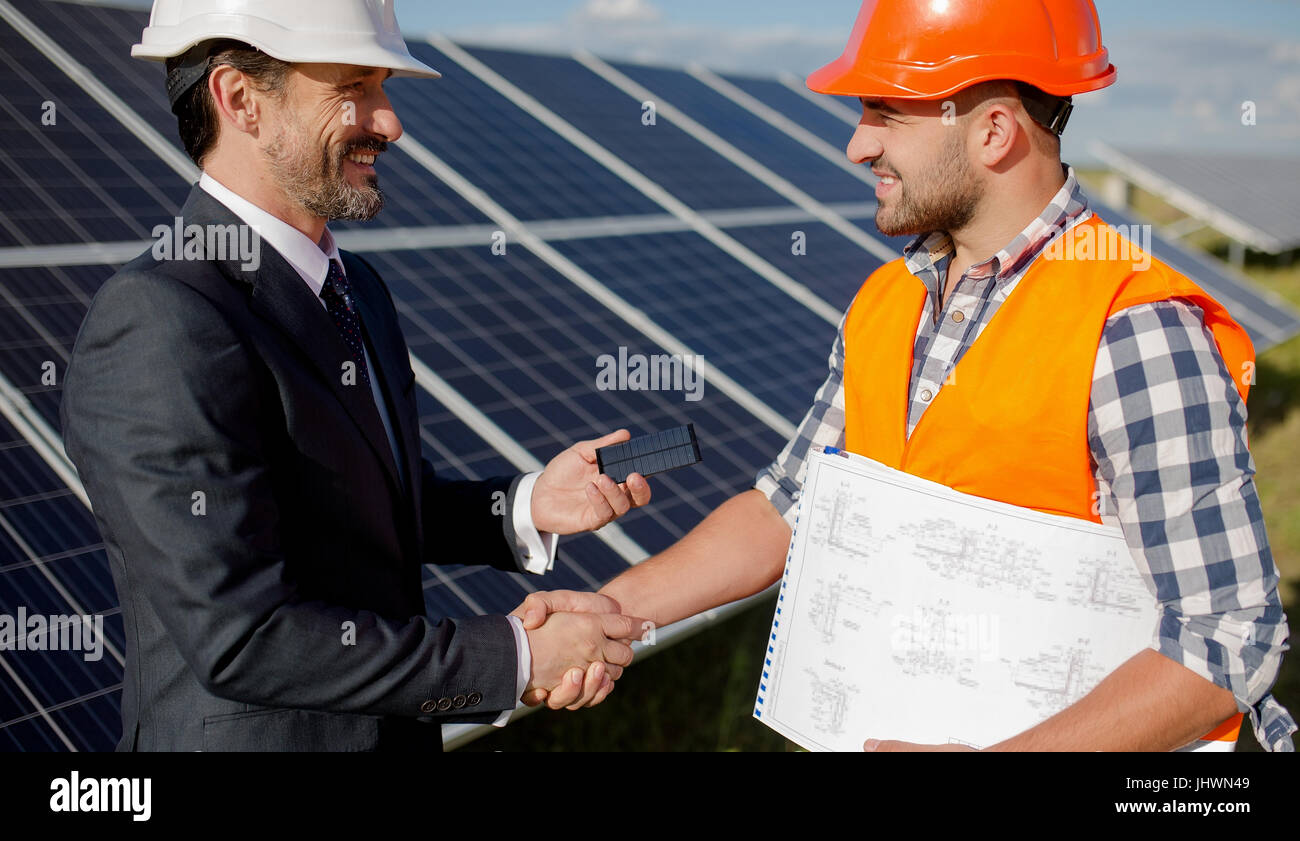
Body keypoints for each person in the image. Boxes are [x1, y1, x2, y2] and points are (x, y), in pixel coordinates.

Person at [533, 0, 1295, 751]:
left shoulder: (1133, 327)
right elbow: (789, 509)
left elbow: (1229, 637)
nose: (857, 146)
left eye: (885, 114)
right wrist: (605, 610)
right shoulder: (887, 300)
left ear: (993, 130)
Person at [60, 0, 646, 751]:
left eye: (384, 89)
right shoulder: (159, 320)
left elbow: (356, 511)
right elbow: (246, 633)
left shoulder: (354, 289)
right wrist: (521, 656)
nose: (391, 122)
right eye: (355, 87)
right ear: (240, 99)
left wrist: (526, 505)